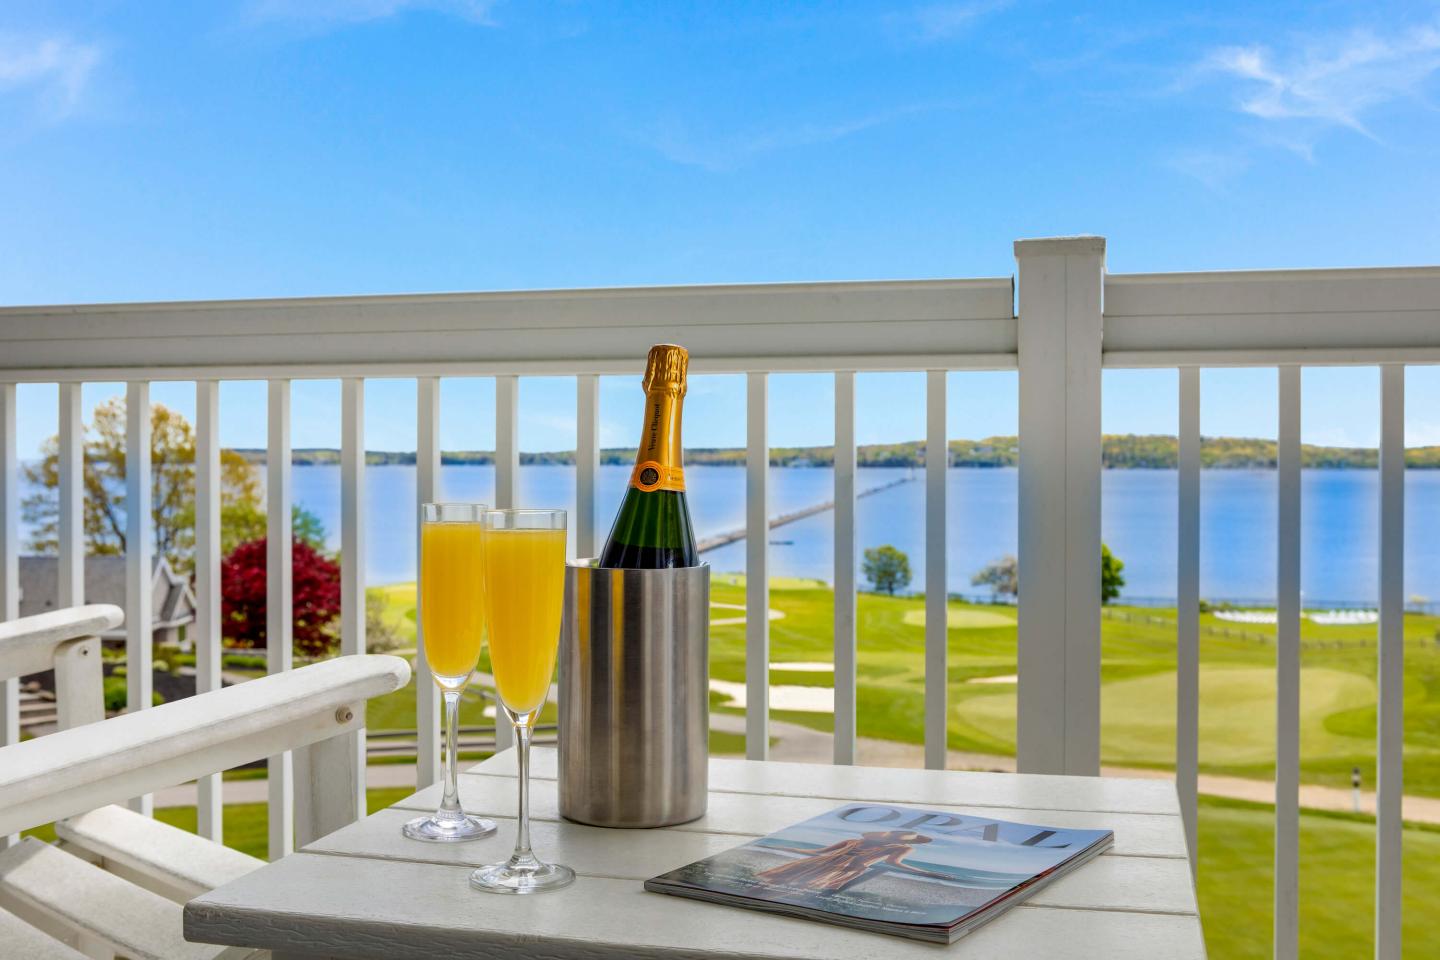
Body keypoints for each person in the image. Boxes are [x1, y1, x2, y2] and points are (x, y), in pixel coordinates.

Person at [757, 830, 953, 893]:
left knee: (797, 888)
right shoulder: (853, 841)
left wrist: (926, 873)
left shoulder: (900, 847)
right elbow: (816, 851)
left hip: (842, 869)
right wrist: (783, 847)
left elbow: (894, 864)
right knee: (786, 885)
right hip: (826, 865)